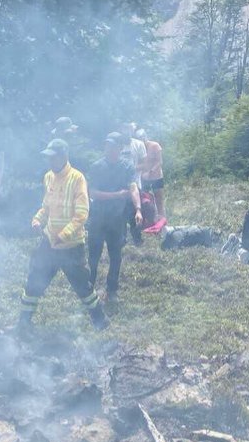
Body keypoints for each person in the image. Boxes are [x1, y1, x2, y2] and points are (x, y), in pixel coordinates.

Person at [19, 138, 106, 332]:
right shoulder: (48, 177)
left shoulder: (77, 178)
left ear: (64, 156)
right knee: (34, 280)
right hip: (49, 243)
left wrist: (64, 235)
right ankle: (23, 323)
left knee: (83, 287)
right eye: (48, 157)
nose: (49, 161)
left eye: (53, 157)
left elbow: (82, 214)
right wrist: (37, 219)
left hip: (71, 247)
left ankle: (100, 321)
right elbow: (46, 207)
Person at [86, 132, 143, 306]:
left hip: (117, 219)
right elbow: (92, 193)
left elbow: (133, 188)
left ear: (120, 148)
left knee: (116, 256)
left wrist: (138, 209)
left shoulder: (127, 167)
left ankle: (112, 290)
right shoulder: (97, 166)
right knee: (93, 257)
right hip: (97, 218)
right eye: (107, 146)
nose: (109, 149)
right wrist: (116, 195)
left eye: (113, 146)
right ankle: (88, 290)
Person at [137, 127, 165, 224]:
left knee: (159, 198)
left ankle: (162, 219)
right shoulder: (139, 148)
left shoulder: (155, 145)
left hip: (157, 176)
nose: (141, 141)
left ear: (145, 137)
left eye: (142, 138)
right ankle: (150, 220)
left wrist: (150, 172)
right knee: (146, 199)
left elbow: (160, 161)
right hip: (144, 178)